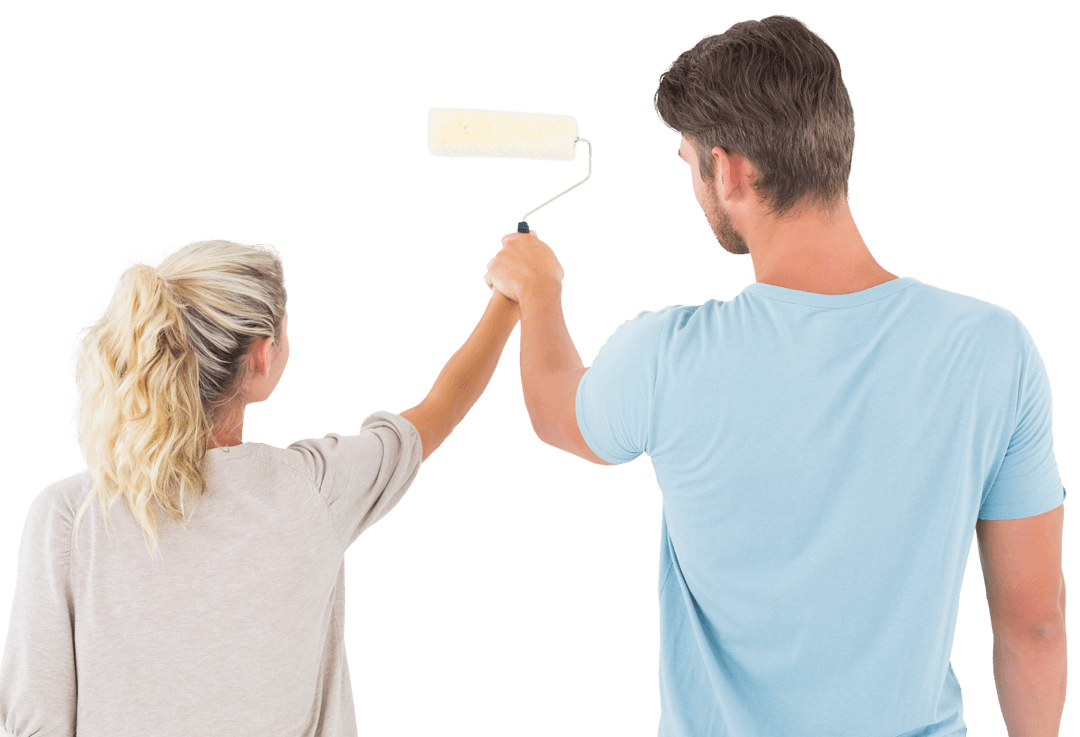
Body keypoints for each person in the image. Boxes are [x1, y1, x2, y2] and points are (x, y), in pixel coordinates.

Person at [484, 13, 1067, 737]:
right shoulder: (993, 349)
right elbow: (1035, 626)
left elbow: (555, 409)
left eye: (690, 165)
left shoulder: (666, 354)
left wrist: (540, 293)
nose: (697, 186)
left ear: (727, 171)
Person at [0, 237, 520, 736]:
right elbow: (433, 414)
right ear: (261, 359)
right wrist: (509, 300)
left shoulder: (67, 517)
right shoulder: (312, 490)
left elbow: (33, 720)